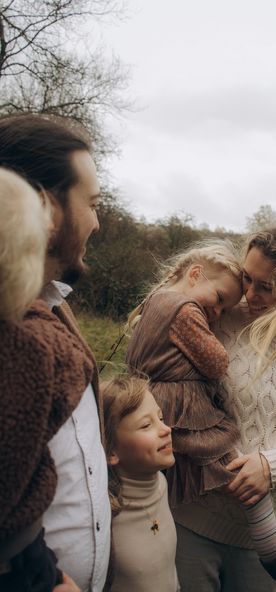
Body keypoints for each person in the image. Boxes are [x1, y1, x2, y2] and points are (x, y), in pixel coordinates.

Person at [171, 226, 276, 592]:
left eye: (266, 287)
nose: (251, 294)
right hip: (188, 522)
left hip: (264, 540)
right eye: (248, 279)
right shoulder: (218, 317)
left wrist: (271, 464)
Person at [125, 241, 276, 581]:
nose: (216, 314)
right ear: (195, 274)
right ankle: (273, 546)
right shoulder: (185, 311)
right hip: (179, 402)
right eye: (218, 300)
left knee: (160, 472)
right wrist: (217, 336)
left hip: (155, 399)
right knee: (224, 460)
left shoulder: (155, 301)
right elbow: (217, 363)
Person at [0, 114, 110, 591]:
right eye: (91, 203)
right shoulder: (15, 342)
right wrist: (37, 577)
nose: (97, 221)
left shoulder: (54, 307)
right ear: (46, 208)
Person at [102, 376, 178, 591]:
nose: (166, 429)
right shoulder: (103, 517)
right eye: (146, 425)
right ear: (111, 451)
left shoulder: (161, 484)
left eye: (161, 418)